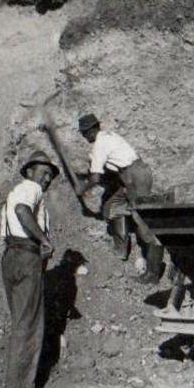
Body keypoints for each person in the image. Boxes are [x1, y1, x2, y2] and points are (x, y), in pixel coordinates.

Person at [1, 151, 61, 388]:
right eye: (42, 172)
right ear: (28, 172)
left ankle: (16, 383)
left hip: (11, 256)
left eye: (49, 175)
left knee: (20, 320)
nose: (46, 178)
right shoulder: (30, 189)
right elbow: (23, 211)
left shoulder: (14, 192)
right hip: (26, 256)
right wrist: (44, 240)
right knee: (29, 322)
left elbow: (12, 219)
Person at [78, 112, 162, 283]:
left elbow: (95, 178)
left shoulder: (100, 144)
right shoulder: (110, 136)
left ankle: (153, 273)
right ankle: (121, 250)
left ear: (90, 131)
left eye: (84, 133)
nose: (84, 137)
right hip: (133, 176)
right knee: (111, 208)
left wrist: (83, 189)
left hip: (135, 177)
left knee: (142, 223)